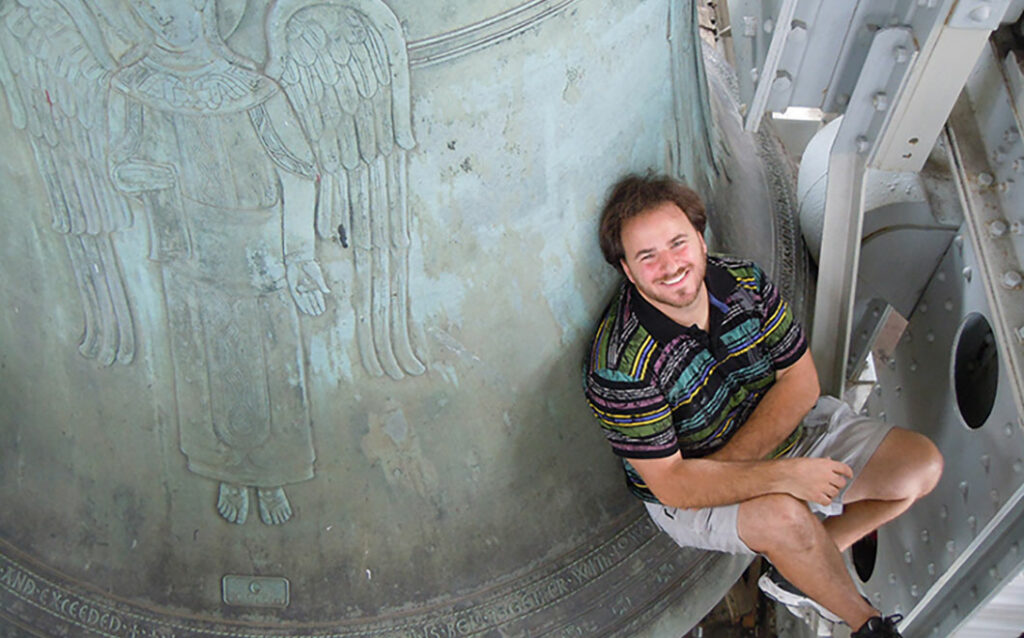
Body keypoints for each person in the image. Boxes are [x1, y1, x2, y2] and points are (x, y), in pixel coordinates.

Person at [583, 173, 943, 637]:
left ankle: (798, 569)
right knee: (783, 515)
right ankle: (867, 625)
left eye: (677, 243)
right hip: (689, 488)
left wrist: (749, 472)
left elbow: (800, 381)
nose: (670, 265)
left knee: (920, 468)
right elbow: (674, 486)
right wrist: (782, 479)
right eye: (647, 256)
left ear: (699, 236)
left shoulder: (744, 281)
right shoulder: (618, 367)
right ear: (628, 271)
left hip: (778, 438)